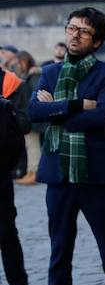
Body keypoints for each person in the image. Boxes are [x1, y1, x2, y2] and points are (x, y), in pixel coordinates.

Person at [28, 7, 105, 285]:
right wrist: (75, 104)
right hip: (59, 177)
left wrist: (57, 109)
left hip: (96, 177)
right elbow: (33, 112)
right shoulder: (50, 72)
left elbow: (104, 115)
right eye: (71, 28)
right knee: (59, 256)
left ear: (96, 40)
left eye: (83, 32)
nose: (74, 35)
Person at [0, 52, 39, 285]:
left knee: (6, 233)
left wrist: (6, 111)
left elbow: (26, 123)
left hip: (0, 171)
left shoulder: (11, 83)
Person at [13, 51, 42, 185]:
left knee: (33, 146)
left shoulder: (34, 74)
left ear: (24, 61)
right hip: (29, 116)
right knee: (30, 145)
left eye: (19, 63)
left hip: (32, 117)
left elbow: (34, 95)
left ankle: (34, 173)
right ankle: (31, 172)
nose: (18, 65)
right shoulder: (29, 74)